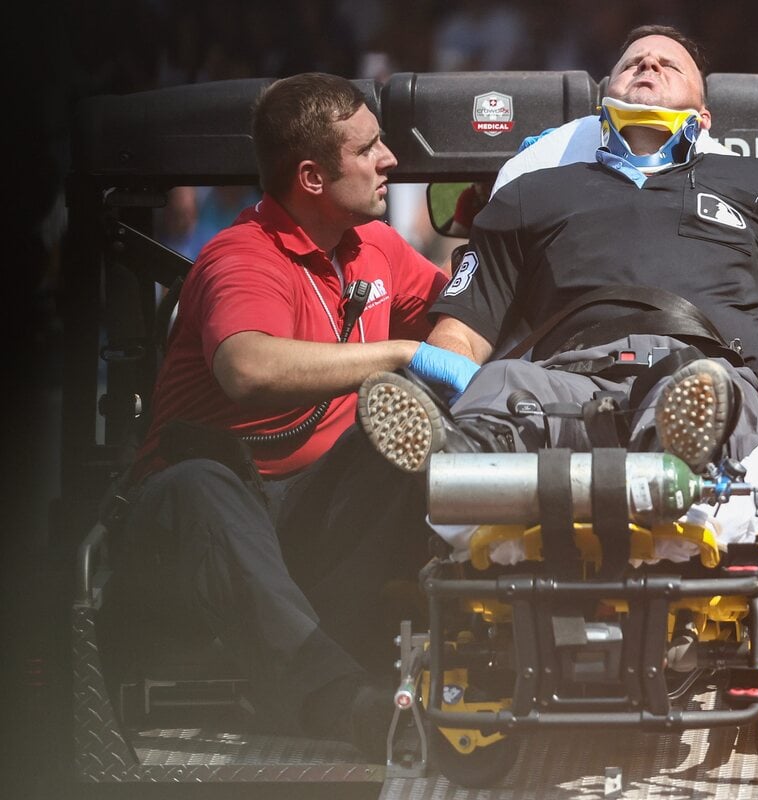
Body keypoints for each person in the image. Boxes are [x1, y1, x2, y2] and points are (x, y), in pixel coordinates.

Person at [357, 26, 758, 537]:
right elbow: (464, 331)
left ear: (703, 116)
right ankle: (458, 450)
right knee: (501, 384)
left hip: (700, 369)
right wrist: (447, 373)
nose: (648, 66)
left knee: (708, 394)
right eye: (633, 63)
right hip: (565, 379)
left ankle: (674, 456)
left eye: (669, 64)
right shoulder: (531, 193)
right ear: (604, 101)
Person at [118, 73, 479, 759]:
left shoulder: (374, 249)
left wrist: (495, 241)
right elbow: (246, 368)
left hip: (311, 530)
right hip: (197, 530)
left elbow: (468, 312)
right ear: (313, 177)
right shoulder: (238, 257)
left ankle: (477, 660)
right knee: (199, 484)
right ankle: (345, 706)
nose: (392, 161)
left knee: (414, 426)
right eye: (370, 148)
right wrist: (402, 351)